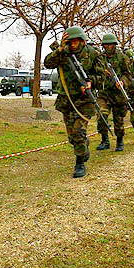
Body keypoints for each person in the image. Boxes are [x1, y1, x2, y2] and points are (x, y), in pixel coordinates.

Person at [44, 26, 104, 177]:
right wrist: (60, 50)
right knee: (72, 137)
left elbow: (102, 76)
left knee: (78, 132)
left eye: (77, 41)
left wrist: (91, 82)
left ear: (83, 41)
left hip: (84, 100)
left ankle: (80, 163)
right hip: (67, 99)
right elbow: (47, 63)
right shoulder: (63, 53)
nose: (74, 44)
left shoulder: (93, 53)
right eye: (71, 41)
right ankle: (84, 146)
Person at [96, 33, 132, 152]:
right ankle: (104, 140)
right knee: (102, 115)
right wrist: (102, 71)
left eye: (110, 44)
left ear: (114, 45)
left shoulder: (123, 57)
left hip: (118, 94)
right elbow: (94, 69)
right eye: (105, 44)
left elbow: (128, 75)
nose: (108, 46)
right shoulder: (100, 57)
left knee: (118, 120)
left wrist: (122, 82)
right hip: (104, 92)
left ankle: (120, 141)